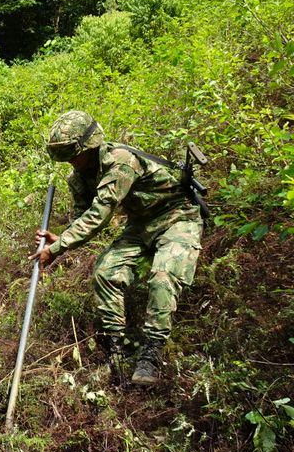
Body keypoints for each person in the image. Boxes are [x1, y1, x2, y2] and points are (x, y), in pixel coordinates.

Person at [30, 110, 203, 385]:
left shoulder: (121, 162)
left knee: (162, 276)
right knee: (105, 272)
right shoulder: (80, 177)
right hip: (140, 224)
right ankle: (119, 351)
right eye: (66, 158)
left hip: (177, 217)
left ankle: (151, 355)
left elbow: (100, 215)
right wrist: (59, 238)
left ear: (90, 145)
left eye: (74, 155)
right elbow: (82, 214)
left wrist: (59, 247)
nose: (72, 162)